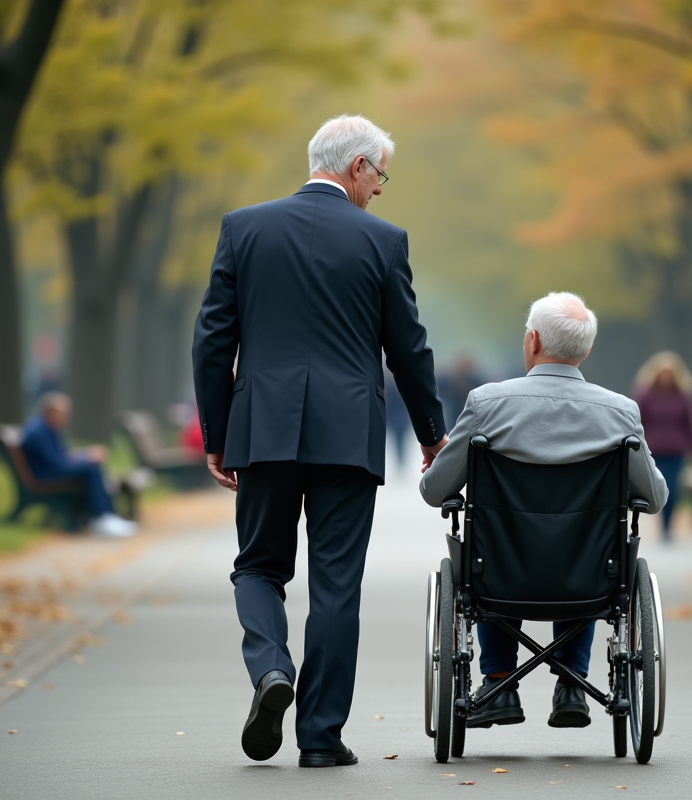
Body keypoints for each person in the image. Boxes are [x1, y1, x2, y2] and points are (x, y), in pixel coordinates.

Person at [192, 114, 447, 769]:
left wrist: (218, 435)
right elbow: (408, 349)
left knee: (257, 565)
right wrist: (431, 434)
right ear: (357, 166)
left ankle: (272, 670)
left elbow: (213, 340)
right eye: (380, 174)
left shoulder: (243, 229)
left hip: (265, 427)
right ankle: (320, 738)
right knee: (337, 585)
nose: (381, 190)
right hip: (346, 434)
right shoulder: (382, 241)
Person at [420, 292, 668, 731]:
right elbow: (656, 496)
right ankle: (572, 685)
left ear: (532, 341)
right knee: (585, 545)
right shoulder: (620, 412)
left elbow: (435, 491)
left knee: (494, 549)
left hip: (499, 573)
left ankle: (498, 683)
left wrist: (435, 469)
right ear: (586, 350)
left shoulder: (487, 404)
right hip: (588, 576)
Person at [20, 392, 136, 538]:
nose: (66, 418)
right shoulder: (38, 433)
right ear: (49, 412)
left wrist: (86, 454)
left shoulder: (46, 426)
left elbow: (63, 454)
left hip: (49, 471)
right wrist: (87, 459)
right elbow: (58, 464)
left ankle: (108, 516)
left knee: (92, 464)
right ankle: (101, 518)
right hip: (43, 476)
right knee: (92, 468)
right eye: (62, 413)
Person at [632, 352, 692, 541]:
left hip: (676, 451)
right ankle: (662, 524)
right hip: (653, 451)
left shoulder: (682, 397)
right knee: (658, 487)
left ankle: (668, 526)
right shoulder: (645, 395)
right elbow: (637, 422)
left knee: (674, 489)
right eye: (662, 373)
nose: (665, 378)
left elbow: (691, 425)